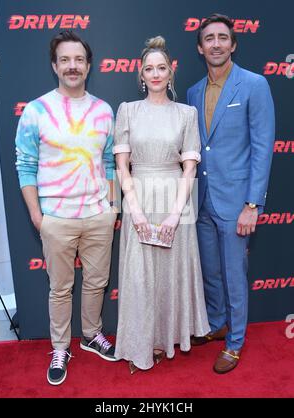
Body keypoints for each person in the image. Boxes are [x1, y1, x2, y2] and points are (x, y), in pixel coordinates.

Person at [15, 30, 118, 386]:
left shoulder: (104, 111)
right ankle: (60, 347)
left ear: (88, 66)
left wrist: (112, 207)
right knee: (60, 288)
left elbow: (109, 163)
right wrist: (37, 216)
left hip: (98, 216)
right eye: (65, 60)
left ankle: (91, 334)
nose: (72, 66)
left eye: (78, 60)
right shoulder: (35, 111)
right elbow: (25, 166)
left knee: (97, 282)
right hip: (56, 218)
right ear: (54, 66)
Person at [114, 36, 210, 373]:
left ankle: (165, 339)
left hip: (176, 200)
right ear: (141, 75)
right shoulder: (127, 110)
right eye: (149, 69)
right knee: (141, 276)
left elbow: (190, 168)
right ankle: (141, 344)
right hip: (137, 197)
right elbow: (122, 166)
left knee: (170, 275)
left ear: (171, 73)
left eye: (161, 68)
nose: (155, 74)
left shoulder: (187, 113)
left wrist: (175, 215)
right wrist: (135, 210)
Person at [187, 14, 275, 373]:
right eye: (209, 38)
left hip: (237, 202)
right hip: (203, 200)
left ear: (233, 44)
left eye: (223, 37)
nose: (217, 43)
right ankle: (216, 321)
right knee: (210, 271)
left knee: (234, 275)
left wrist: (252, 204)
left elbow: (262, 147)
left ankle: (235, 341)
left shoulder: (254, 85)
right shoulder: (193, 91)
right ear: (200, 47)